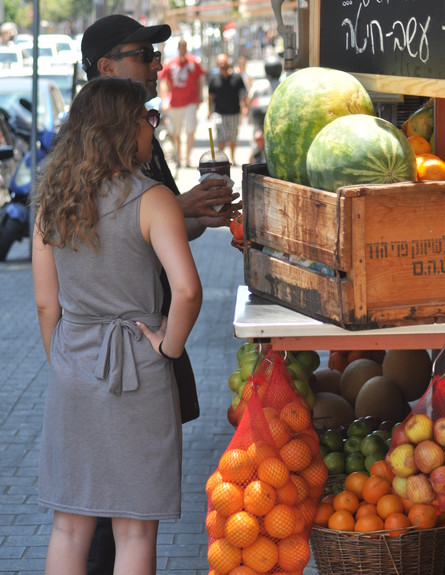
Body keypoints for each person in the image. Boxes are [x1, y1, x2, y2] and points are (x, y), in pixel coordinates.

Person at [79, 14, 239, 575]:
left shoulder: (136, 134)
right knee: (118, 514)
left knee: (88, 513)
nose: (156, 65)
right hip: (135, 346)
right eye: (143, 55)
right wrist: (167, 348)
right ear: (106, 67)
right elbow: (127, 243)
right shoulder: (103, 149)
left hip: (107, 349)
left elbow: (156, 229)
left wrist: (190, 212)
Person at [32, 76, 202, 574]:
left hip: (74, 368)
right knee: (134, 528)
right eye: (147, 118)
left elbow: (47, 305)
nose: (153, 128)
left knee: (69, 524)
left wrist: (64, 361)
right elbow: (188, 290)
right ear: (122, 128)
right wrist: (168, 349)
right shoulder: (153, 200)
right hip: (140, 370)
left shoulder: (53, 202)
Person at [158, 38, 206, 167]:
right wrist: (165, 100)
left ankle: (188, 158)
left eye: (185, 47)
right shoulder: (170, 63)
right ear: (178, 49)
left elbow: (199, 81)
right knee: (176, 132)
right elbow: (164, 83)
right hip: (175, 102)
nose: (183, 50)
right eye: (181, 47)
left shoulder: (194, 62)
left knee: (190, 129)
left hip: (190, 100)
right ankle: (178, 156)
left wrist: (200, 98)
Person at [208, 53, 247, 166]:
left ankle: (232, 158)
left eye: (224, 62)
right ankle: (221, 158)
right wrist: (209, 110)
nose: (222, 65)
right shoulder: (214, 79)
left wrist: (244, 107)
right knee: (220, 136)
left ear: (228, 63)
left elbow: (243, 93)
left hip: (234, 112)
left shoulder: (237, 78)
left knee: (232, 137)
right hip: (219, 113)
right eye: (220, 63)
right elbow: (210, 96)